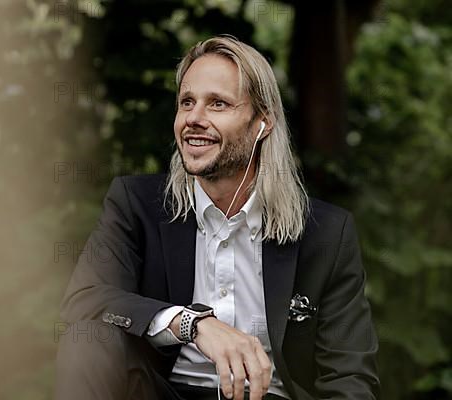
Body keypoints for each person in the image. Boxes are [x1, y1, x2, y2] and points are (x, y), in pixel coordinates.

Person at [55, 35, 379, 400]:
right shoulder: (137, 204)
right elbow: (84, 300)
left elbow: (349, 378)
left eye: (218, 104)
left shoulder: (326, 233)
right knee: (91, 333)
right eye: (187, 102)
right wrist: (193, 324)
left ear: (262, 123)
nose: (194, 118)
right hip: (160, 392)